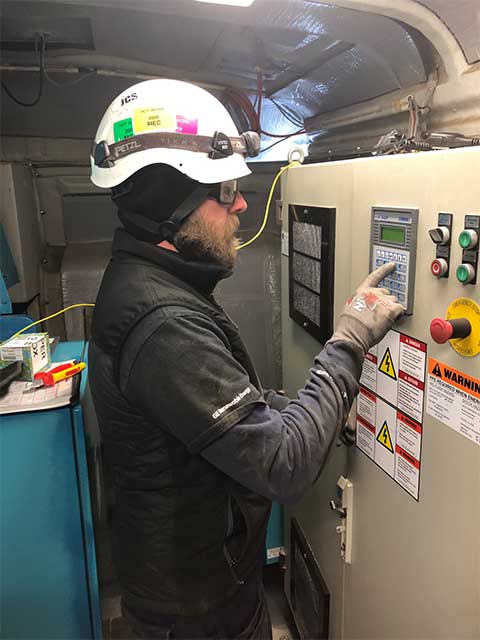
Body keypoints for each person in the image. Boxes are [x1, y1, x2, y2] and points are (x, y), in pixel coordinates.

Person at [88, 79, 404, 639]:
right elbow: (283, 466)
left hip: (200, 579)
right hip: (195, 610)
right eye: (225, 189)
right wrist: (348, 343)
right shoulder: (163, 323)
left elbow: (217, 412)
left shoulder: (155, 284)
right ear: (171, 205)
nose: (240, 204)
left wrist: (289, 407)